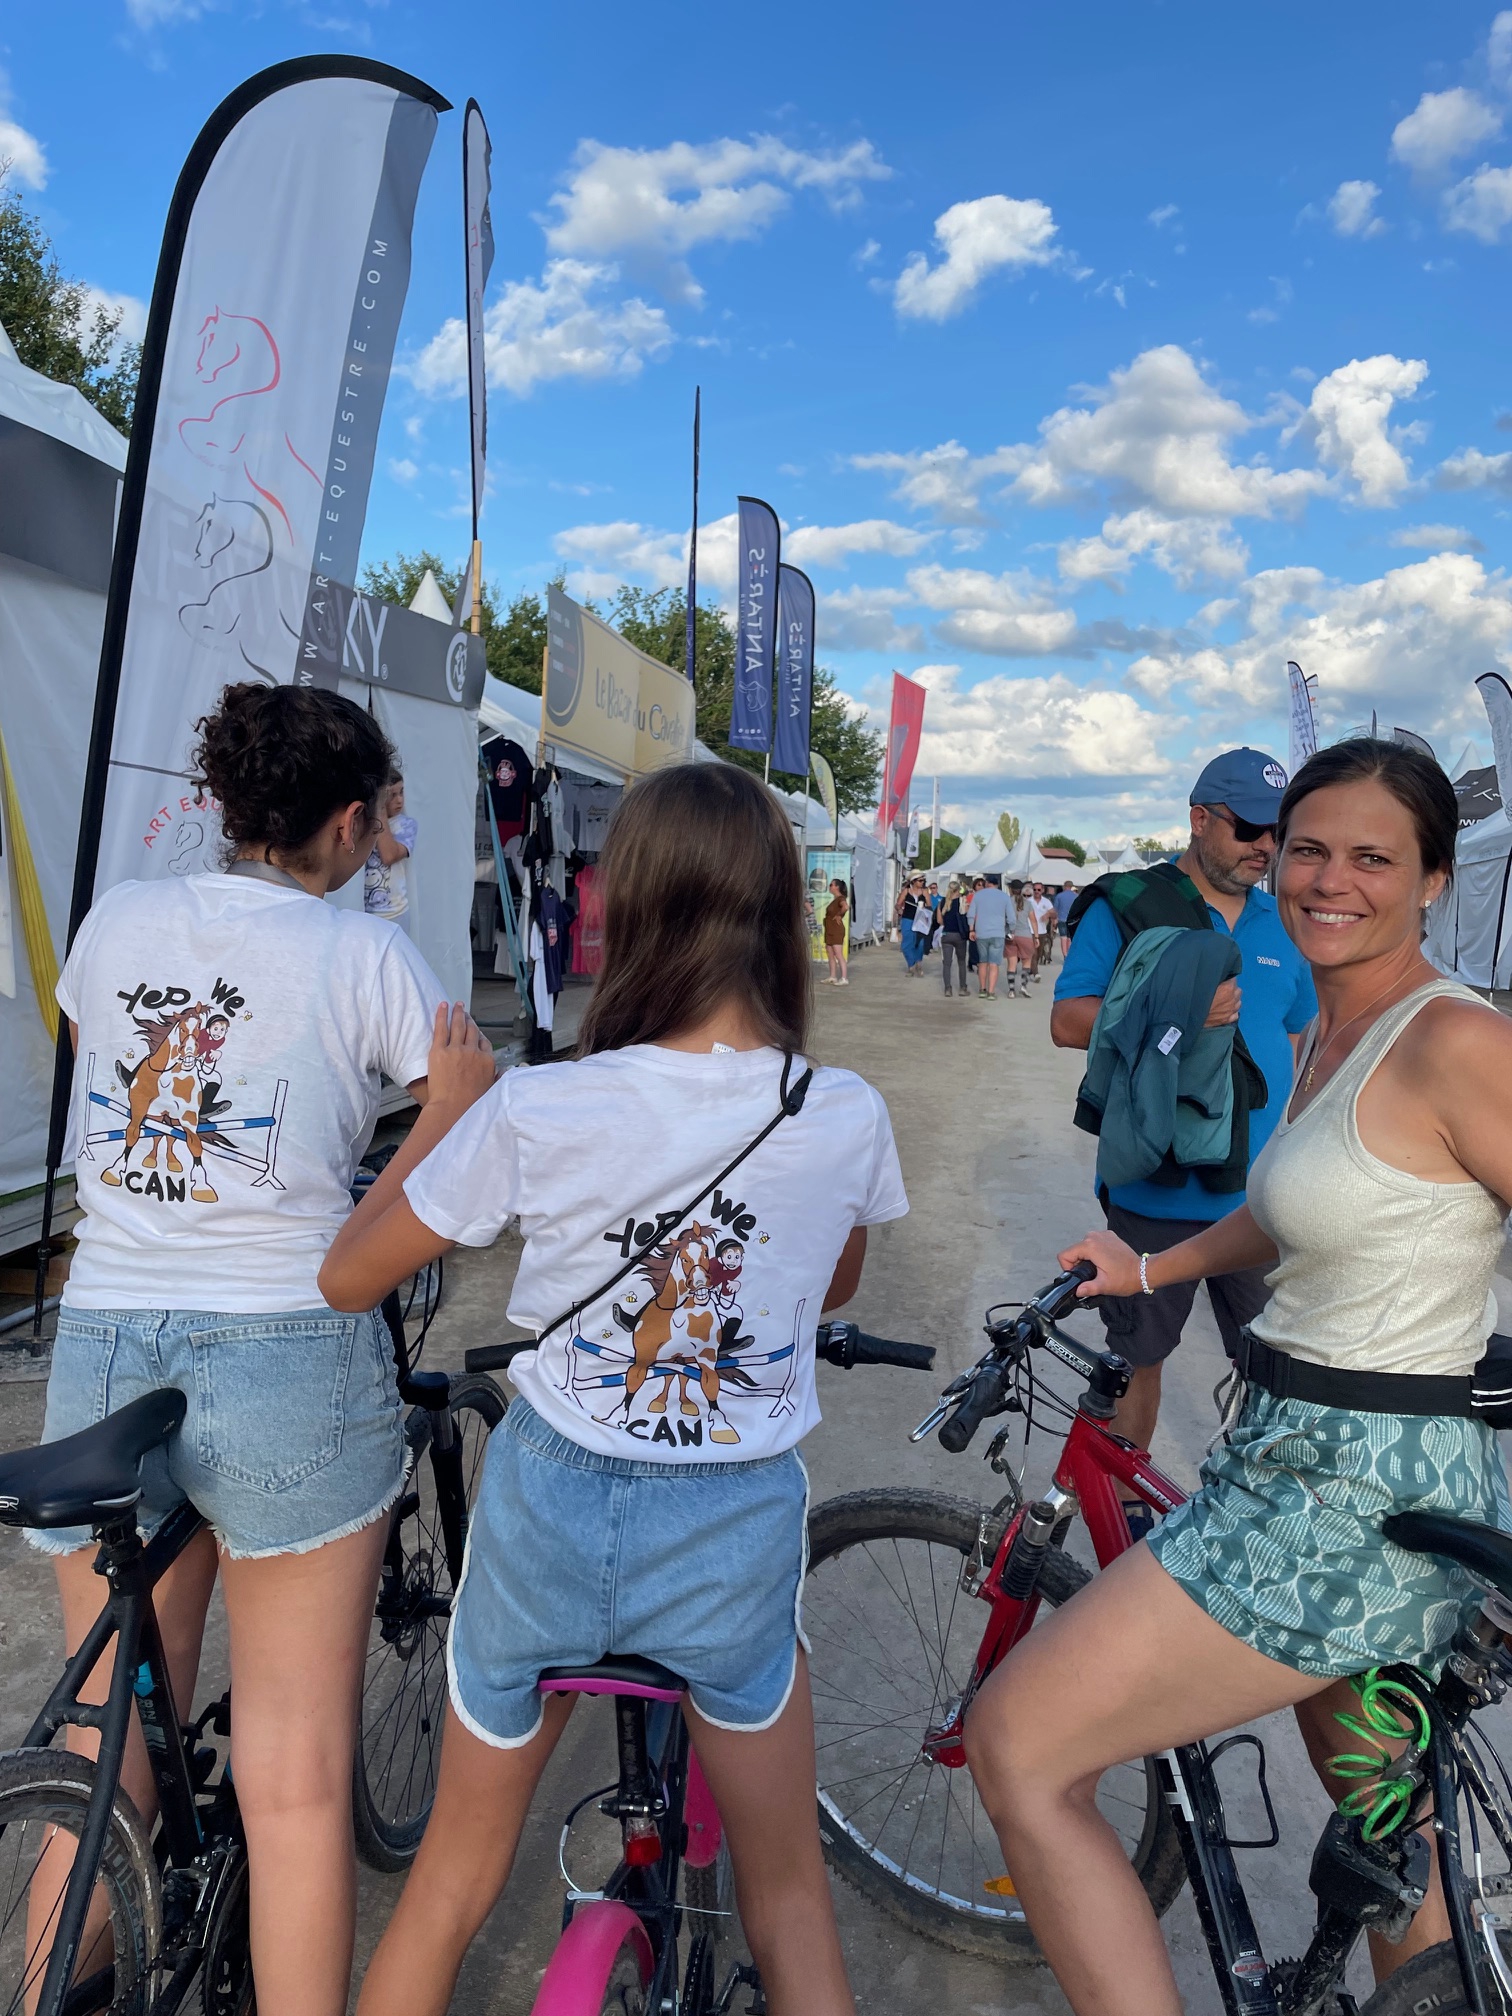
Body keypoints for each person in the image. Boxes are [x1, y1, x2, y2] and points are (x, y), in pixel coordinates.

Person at [324, 761, 908, 2016]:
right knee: (790, 1893)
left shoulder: (544, 1104)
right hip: (729, 1521)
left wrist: (440, 1122)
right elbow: (831, 1287)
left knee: (451, 1884)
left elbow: (348, 1275)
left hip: (550, 1508)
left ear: (629, 907)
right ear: (780, 911)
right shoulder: (842, 1111)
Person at [966, 738, 1512, 2015]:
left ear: (1434, 877)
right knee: (1387, 1838)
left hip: (1353, 1506)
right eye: (1306, 848)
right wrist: (1144, 1272)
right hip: (1311, 1460)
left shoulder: (1453, 1041)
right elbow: (1299, 1211)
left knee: (1017, 1743)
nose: (1329, 880)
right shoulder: (1339, 1022)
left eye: (1374, 857)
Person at [31, 684, 452, 2016]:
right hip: (289, 1349)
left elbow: (100, 1054)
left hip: (104, 1341)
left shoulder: (117, 922)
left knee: (105, 1757)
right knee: (296, 1773)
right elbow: (456, 1121)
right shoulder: (366, 956)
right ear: (344, 821)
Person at [1050, 750, 1315, 1533]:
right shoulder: (1130, 905)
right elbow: (1068, 1020)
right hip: (1154, 1185)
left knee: (1276, 1370)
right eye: (1247, 827)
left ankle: (1263, 1522)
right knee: (1140, 1362)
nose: (1264, 846)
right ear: (1199, 819)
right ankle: (1123, 1526)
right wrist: (1170, 1015)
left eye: (1278, 831)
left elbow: (1297, 1040)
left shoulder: (1284, 921)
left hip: (1260, 1195)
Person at [365, 769, 417, 928]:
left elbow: (389, 855)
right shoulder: (365, 823)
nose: (400, 800)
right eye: (392, 795)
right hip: (366, 912)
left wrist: (380, 809)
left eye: (401, 792)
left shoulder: (407, 826)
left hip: (395, 913)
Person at [966, 875, 1010, 999]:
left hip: (981, 933)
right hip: (998, 933)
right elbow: (1011, 917)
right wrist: (1010, 930)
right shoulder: (1004, 897)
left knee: (983, 962)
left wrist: (971, 929)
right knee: (994, 964)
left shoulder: (978, 896)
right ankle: (991, 992)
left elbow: (971, 914)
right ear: (997, 884)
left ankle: (982, 989)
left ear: (987, 883)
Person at [1005, 879, 1037, 998]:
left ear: (1010, 889)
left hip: (1011, 935)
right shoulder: (1028, 903)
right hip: (1025, 935)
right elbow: (1033, 920)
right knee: (1026, 962)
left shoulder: (1007, 902)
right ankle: (1023, 986)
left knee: (1012, 963)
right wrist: (1036, 936)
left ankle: (1011, 990)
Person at [938, 881, 970, 998]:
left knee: (947, 963)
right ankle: (962, 987)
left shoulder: (943, 902)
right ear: (959, 890)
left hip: (946, 934)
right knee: (961, 962)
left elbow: (939, 920)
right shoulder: (962, 901)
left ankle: (948, 988)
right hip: (959, 935)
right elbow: (967, 918)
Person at [823, 876, 849, 986]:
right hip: (829, 928)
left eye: (831, 885)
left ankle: (844, 978)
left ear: (837, 887)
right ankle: (832, 976)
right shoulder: (835, 900)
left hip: (836, 929)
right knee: (830, 952)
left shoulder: (840, 899)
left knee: (838, 953)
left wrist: (839, 915)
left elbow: (845, 907)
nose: (830, 887)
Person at [1053, 878, 1077, 960]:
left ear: (1064, 886)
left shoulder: (1059, 896)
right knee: (1070, 938)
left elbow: (1055, 909)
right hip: (1072, 920)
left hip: (1062, 919)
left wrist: (1054, 920)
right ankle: (1069, 954)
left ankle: (1065, 955)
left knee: (1063, 937)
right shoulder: (1076, 896)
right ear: (1071, 887)